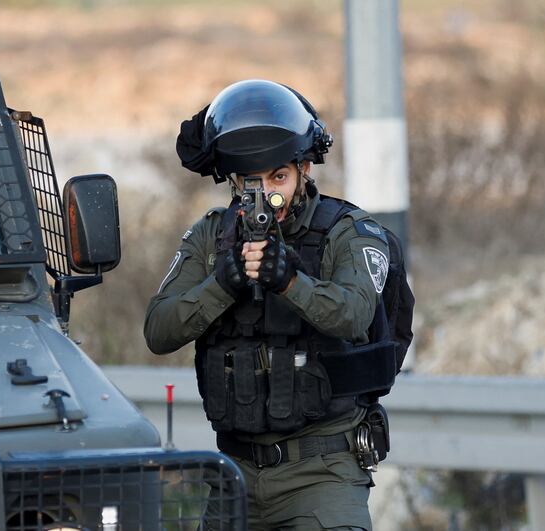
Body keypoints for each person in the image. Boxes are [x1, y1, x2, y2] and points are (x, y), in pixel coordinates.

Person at [144, 79, 398, 531]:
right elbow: (159, 330)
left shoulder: (347, 232)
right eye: (250, 181)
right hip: (234, 474)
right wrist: (223, 282)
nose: (266, 194)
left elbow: (354, 313)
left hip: (322, 473)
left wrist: (289, 281)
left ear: (304, 170)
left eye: (279, 177)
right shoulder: (211, 236)